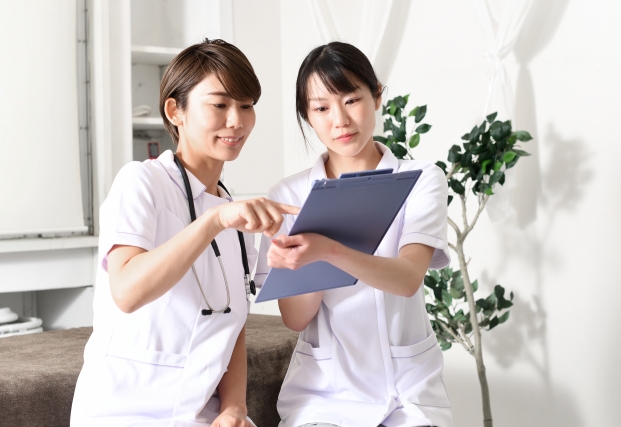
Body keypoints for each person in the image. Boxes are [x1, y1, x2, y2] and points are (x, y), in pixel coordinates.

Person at [70, 39, 298, 427]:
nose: (236, 121)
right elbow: (126, 292)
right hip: (123, 413)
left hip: (199, 414)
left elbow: (230, 321)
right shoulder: (141, 182)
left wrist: (234, 408)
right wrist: (213, 222)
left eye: (246, 106)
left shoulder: (232, 213)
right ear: (175, 111)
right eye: (220, 105)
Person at [254, 42, 454, 427]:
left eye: (351, 100)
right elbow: (296, 318)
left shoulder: (422, 179)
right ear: (307, 115)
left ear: (377, 96)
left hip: (408, 390)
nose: (340, 120)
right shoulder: (288, 196)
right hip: (324, 394)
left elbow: (407, 279)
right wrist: (301, 261)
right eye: (321, 108)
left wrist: (327, 249)